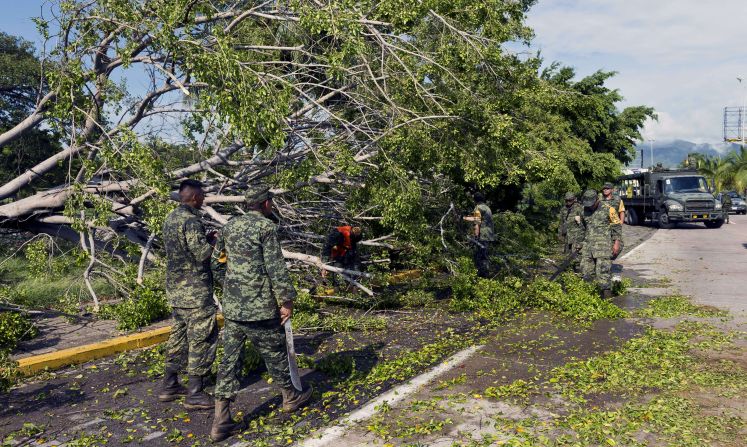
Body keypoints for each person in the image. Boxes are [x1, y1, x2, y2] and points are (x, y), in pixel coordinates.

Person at [210, 185, 312, 442]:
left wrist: (231, 287)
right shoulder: (266, 228)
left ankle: (221, 420)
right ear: (266, 204)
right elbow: (275, 267)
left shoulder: (229, 227)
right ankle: (291, 396)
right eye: (271, 202)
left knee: (230, 361)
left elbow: (216, 262)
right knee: (274, 352)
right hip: (259, 308)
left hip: (233, 308)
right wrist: (286, 300)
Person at [159, 179, 219, 410]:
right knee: (202, 338)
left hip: (176, 289)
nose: (204, 199)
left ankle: (170, 384)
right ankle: (195, 392)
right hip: (195, 291)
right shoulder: (191, 221)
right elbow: (201, 254)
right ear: (194, 197)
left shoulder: (170, 218)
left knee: (178, 336)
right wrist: (213, 242)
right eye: (202, 196)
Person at [580, 189, 622, 299]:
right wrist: (580, 244)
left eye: (591, 204)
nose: (590, 207)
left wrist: (616, 243)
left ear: (597, 200)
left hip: (604, 246)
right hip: (588, 246)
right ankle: (590, 297)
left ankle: (606, 298)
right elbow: (583, 228)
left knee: (603, 272)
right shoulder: (583, 210)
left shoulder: (609, 209)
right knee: (586, 272)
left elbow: (617, 227)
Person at [463, 192, 496, 277]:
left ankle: (483, 275)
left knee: (481, 256)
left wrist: (476, 236)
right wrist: (465, 218)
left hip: (483, 235)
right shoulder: (486, 207)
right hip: (489, 234)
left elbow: (477, 222)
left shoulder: (478, 208)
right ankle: (485, 274)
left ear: (475, 200)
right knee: (484, 254)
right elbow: (478, 218)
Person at [557, 192, 584, 257]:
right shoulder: (563, 209)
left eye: (570, 200)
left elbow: (584, 223)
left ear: (574, 199)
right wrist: (560, 234)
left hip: (576, 236)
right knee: (567, 254)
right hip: (567, 236)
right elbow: (561, 222)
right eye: (566, 200)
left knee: (576, 255)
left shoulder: (579, 208)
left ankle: (576, 266)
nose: (568, 202)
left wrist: (579, 221)